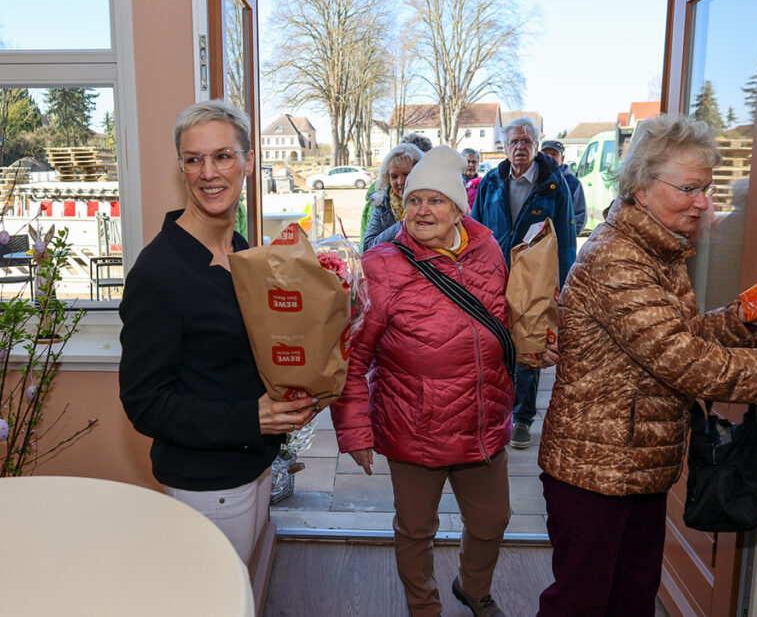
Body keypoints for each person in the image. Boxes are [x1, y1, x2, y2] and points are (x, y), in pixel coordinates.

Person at [536, 114, 757, 616]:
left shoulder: (659, 250)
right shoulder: (618, 260)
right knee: (581, 604)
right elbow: (689, 364)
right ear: (642, 189)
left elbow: (679, 339)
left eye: (707, 188)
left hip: (636, 466)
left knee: (630, 598)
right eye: (689, 187)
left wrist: (750, 315)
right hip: (594, 472)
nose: (703, 202)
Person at [118, 99, 318, 565]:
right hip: (208, 485)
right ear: (182, 170)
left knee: (244, 588)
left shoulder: (243, 253)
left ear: (248, 162)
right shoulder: (159, 272)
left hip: (255, 465)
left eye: (223, 156)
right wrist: (254, 418)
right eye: (194, 159)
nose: (209, 172)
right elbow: (144, 403)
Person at [333, 145, 517, 617]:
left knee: (492, 521)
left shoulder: (489, 250)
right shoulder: (381, 266)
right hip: (413, 426)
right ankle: (424, 608)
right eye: (415, 200)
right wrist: (355, 430)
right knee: (416, 529)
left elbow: (506, 320)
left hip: (482, 419)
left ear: (458, 208)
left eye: (435, 200)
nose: (422, 210)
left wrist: (536, 340)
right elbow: (351, 357)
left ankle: (472, 588)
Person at [471, 117, 576, 450]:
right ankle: (492, 411)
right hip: (494, 276)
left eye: (527, 141)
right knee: (493, 345)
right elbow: (474, 231)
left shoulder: (554, 185)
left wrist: (563, 285)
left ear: (536, 143)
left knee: (529, 345)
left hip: (534, 280)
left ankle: (523, 417)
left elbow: (567, 240)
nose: (520, 147)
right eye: (514, 142)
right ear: (504, 147)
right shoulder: (490, 182)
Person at [361, 134, 433, 241]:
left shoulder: (435, 203)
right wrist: (403, 225)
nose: (400, 181)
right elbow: (367, 247)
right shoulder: (382, 206)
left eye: (406, 174)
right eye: (394, 176)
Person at [540, 140, 585, 237]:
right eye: (545, 154)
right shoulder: (532, 179)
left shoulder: (573, 184)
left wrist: (567, 237)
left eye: (554, 154)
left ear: (562, 158)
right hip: (534, 244)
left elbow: (579, 216)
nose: (549, 157)